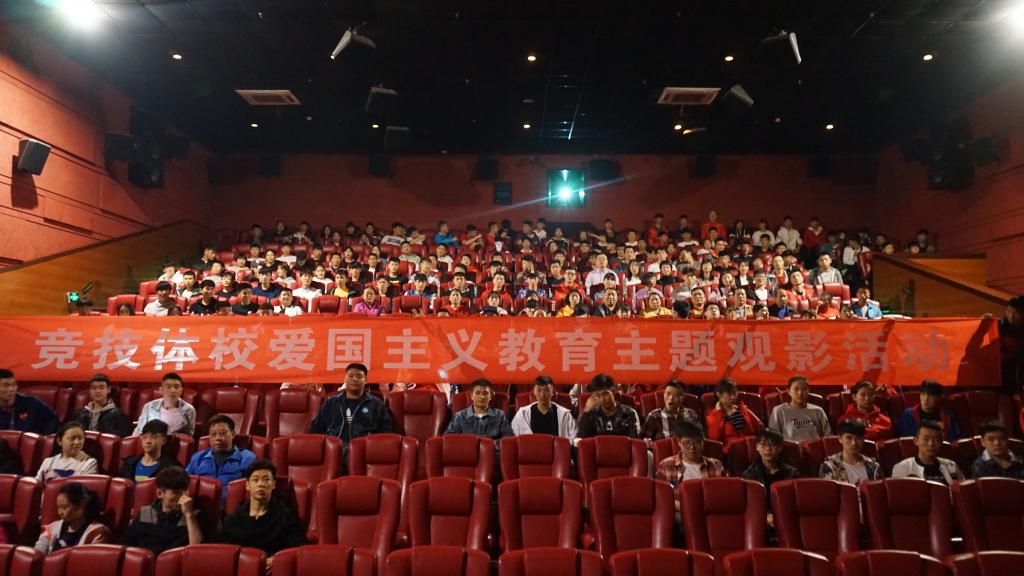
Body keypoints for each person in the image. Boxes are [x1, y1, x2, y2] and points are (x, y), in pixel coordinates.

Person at [217, 460, 306, 573]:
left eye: (266, 479)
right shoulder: (232, 520)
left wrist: (277, 561)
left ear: (273, 484)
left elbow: (298, 549)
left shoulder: (286, 517)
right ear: (247, 485)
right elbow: (222, 553)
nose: (261, 484)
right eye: (255, 480)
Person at [120, 466, 203, 553]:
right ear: (160, 493)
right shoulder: (146, 512)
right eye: (176, 492)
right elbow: (125, 544)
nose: (183, 497)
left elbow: (197, 553)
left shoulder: (195, 515)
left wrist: (189, 515)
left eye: (185, 491)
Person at [308, 363, 393, 446]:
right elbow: (315, 430)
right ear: (345, 379)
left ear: (366, 380)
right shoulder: (331, 403)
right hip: (335, 449)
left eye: (359, 376)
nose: (355, 379)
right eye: (351, 376)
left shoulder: (377, 404)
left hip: (364, 449)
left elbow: (386, 432)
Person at [185, 414, 256, 496]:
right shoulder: (198, 458)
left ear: (233, 434)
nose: (217, 438)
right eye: (213, 434)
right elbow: (183, 482)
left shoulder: (247, 458)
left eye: (222, 433)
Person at [34, 482, 109, 553]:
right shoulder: (51, 529)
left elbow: (91, 560)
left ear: (82, 504)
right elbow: (38, 554)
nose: (60, 512)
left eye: (64, 507)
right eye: (58, 507)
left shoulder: (97, 532)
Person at [655, 419, 725, 488]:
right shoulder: (666, 465)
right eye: (687, 443)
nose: (692, 447)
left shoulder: (716, 465)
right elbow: (661, 493)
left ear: (703, 442)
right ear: (679, 442)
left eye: (697, 442)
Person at [891, 420, 964, 485]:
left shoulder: (952, 466)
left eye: (936, 439)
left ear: (941, 441)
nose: (931, 444)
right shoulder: (902, 468)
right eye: (926, 439)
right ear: (916, 441)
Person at [510, 376, 577, 441]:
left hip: (556, 448)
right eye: (539, 390)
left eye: (547, 390)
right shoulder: (522, 414)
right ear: (534, 391)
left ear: (552, 392)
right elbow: (513, 436)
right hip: (530, 448)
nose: (542, 395)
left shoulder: (565, 414)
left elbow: (574, 435)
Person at [741, 430, 800, 504]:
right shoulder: (749, 474)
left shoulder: (791, 473)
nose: (768, 449)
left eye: (773, 445)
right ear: (757, 447)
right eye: (763, 444)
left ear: (780, 447)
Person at [445, 379, 514, 442]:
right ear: (471, 396)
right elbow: (448, 440)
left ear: (490, 396)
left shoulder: (500, 415)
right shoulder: (460, 416)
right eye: (478, 393)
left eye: (485, 393)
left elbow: (508, 440)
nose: (482, 397)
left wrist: (489, 446)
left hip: (493, 450)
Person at [818, 420, 883, 485]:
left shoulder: (873, 466)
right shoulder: (830, 466)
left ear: (863, 439)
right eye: (849, 438)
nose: (854, 443)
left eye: (858, 438)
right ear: (840, 439)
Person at [768, 376, 832, 441]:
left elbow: (829, 436)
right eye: (796, 389)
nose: (800, 393)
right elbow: (773, 439)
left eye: (804, 389)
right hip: (790, 447)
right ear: (789, 391)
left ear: (808, 391)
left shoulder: (818, 410)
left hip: (815, 446)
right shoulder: (779, 411)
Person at [577, 374, 641, 439]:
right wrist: (587, 410)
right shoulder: (591, 414)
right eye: (598, 395)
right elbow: (580, 438)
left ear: (614, 392)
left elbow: (635, 440)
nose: (602, 399)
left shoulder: (629, 413)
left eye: (605, 394)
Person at [133, 372, 196, 437]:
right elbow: (139, 431)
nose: (173, 390)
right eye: (168, 387)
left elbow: (189, 435)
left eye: (176, 387)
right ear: (161, 390)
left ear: (181, 390)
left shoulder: (189, 410)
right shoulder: (149, 407)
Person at [896, 380, 960, 440]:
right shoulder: (908, 415)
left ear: (939, 398)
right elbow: (907, 440)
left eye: (931, 395)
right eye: (923, 394)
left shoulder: (947, 416)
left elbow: (953, 440)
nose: (925, 399)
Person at [705, 378, 764, 444]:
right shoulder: (713, 416)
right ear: (718, 394)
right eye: (729, 394)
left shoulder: (743, 409)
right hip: (731, 448)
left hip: (751, 445)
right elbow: (714, 438)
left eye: (735, 393)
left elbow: (760, 427)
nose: (733, 397)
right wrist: (718, 412)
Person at [0, 369, 59, 434]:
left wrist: (44, 437)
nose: (11, 389)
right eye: (6, 386)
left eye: (14, 384)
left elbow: (52, 420)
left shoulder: (30, 402)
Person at [999, 295, 1024, 393]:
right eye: (1009, 311)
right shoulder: (999, 326)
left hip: (1018, 375)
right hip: (1000, 373)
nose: (1011, 316)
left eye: (1016, 313)